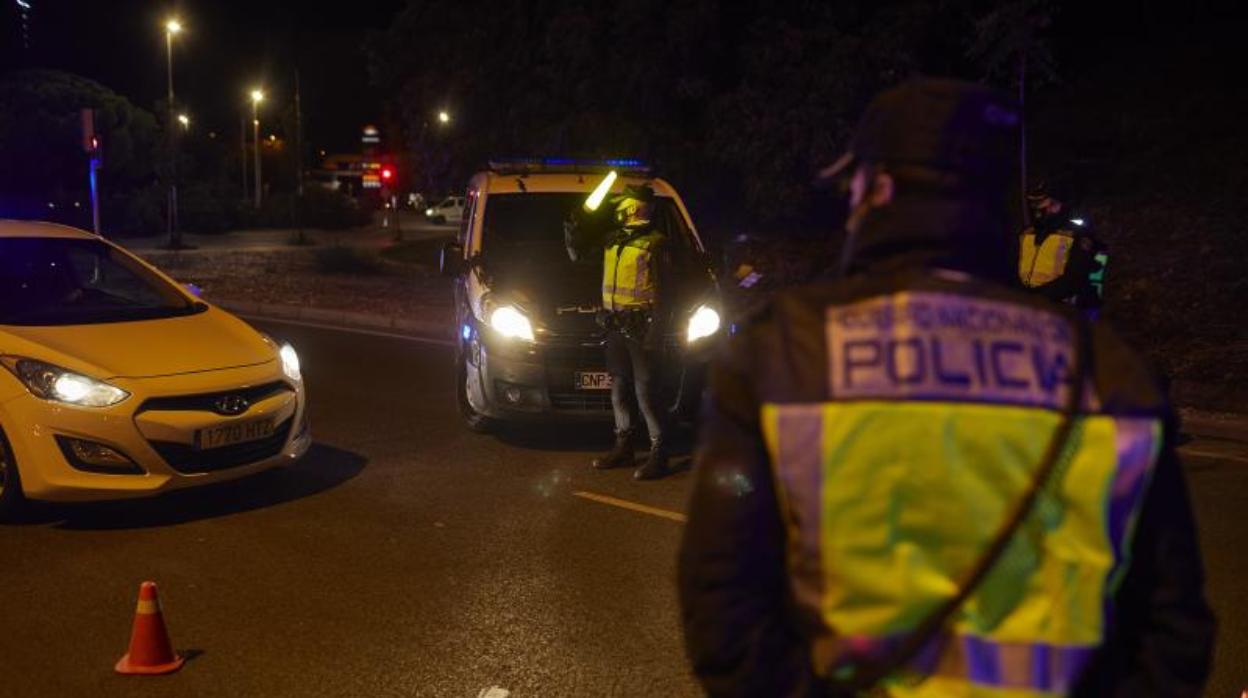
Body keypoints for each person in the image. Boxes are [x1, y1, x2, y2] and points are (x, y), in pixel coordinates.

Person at [678, 79, 1214, 697]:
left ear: (875, 189)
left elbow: (722, 601)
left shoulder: (785, 353)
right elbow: (1172, 627)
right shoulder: (1111, 371)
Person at [566, 183, 677, 480]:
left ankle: (660, 454)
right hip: (616, 326)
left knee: (646, 394)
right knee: (619, 390)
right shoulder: (613, 241)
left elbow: (668, 294)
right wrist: (573, 227)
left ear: (632, 208)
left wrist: (656, 335)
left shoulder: (656, 244)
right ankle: (624, 447)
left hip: (643, 329)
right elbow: (578, 256)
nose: (617, 209)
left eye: (622, 205)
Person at [1018, 182, 1109, 314]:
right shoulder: (1027, 233)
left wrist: (1038, 298)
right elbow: (1013, 268)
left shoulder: (1078, 234)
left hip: (1065, 308)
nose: (1038, 209)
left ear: (1058, 204)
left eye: (1043, 204)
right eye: (1034, 204)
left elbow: (1075, 277)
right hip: (1030, 306)